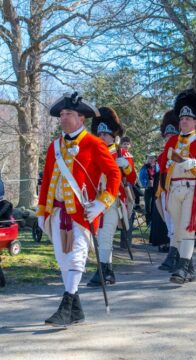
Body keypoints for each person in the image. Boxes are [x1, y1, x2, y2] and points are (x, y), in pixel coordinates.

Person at [37, 92, 121, 326]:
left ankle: (66, 306)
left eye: (68, 114)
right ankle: (77, 311)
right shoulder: (55, 146)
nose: (63, 118)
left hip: (81, 213)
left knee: (75, 257)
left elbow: (114, 174)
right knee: (63, 260)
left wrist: (102, 203)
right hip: (56, 212)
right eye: (62, 114)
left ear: (81, 118)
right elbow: (46, 182)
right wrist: (41, 212)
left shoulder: (94, 144)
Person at [158, 89, 196, 284]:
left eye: (188, 118)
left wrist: (194, 163)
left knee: (187, 228)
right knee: (178, 230)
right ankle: (189, 269)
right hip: (174, 188)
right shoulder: (172, 140)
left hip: (192, 187)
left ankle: (182, 267)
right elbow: (164, 163)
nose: (184, 121)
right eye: (182, 118)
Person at [87, 107, 136, 287]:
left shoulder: (122, 153)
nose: (101, 137)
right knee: (98, 236)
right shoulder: (91, 152)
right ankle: (108, 271)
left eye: (105, 134)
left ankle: (102, 270)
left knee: (105, 235)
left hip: (113, 201)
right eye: (99, 133)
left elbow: (133, 179)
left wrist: (126, 166)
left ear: (112, 135)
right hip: (95, 201)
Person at [154, 110, 179, 260]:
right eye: (167, 136)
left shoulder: (182, 152)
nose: (169, 138)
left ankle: (177, 252)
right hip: (165, 190)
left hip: (178, 190)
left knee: (177, 222)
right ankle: (172, 250)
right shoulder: (161, 156)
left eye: (171, 135)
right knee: (169, 221)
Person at [139, 154, 157, 225]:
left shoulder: (157, 167)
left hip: (156, 189)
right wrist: (146, 184)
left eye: (153, 158)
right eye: (150, 158)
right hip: (148, 188)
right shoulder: (145, 167)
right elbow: (141, 178)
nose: (152, 160)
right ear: (148, 159)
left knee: (155, 205)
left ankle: (154, 222)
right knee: (148, 206)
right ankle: (148, 221)